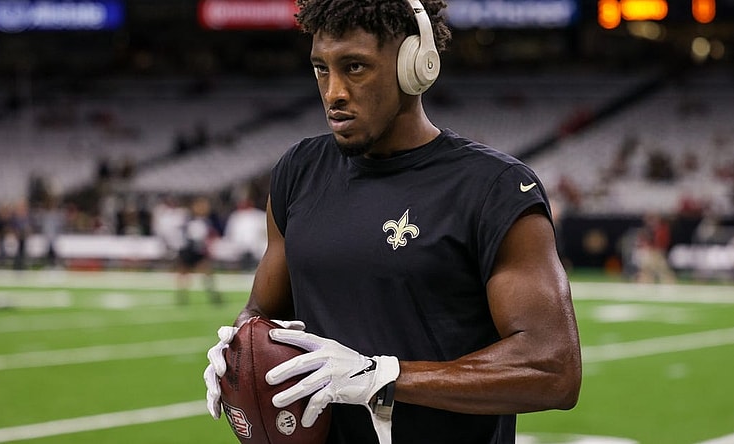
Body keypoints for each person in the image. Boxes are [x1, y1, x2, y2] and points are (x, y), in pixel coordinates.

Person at [203, 1, 582, 443]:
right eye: (322, 69)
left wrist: (384, 378)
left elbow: (552, 367)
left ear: (415, 67)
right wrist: (240, 349)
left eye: (356, 67)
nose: (333, 92)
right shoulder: (298, 171)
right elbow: (263, 311)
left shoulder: (491, 188)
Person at [176, 196, 221, 305]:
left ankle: (213, 296)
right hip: (189, 251)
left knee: (207, 273)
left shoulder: (206, 221)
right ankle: (182, 297)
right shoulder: (190, 220)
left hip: (199, 251)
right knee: (184, 274)